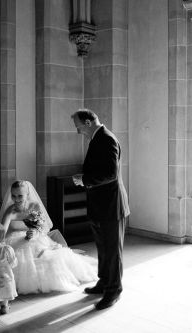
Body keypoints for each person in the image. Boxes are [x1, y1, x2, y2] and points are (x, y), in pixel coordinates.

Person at [0, 180, 97, 295]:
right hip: (15, 240)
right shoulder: (10, 210)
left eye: (20, 196)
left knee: (51, 259)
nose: (16, 199)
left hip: (36, 239)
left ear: (27, 194)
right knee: (10, 260)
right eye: (13, 196)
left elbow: (44, 227)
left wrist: (35, 233)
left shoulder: (35, 206)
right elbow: (2, 230)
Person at [71, 108, 130, 310]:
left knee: (112, 251)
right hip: (100, 205)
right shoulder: (97, 139)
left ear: (88, 122)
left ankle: (114, 291)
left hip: (111, 206)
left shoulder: (106, 139)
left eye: (77, 125)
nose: (77, 130)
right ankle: (104, 282)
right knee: (103, 249)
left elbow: (111, 174)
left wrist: (84, 180)